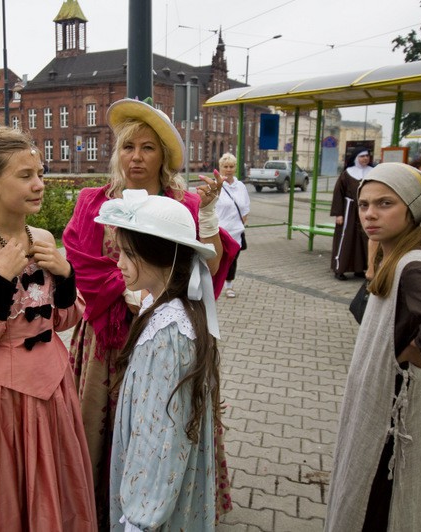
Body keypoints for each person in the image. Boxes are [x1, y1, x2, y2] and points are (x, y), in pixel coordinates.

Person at [62, 98, 237, 528]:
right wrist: (125, 293)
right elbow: (80, 260)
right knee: (106, 425)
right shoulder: (92, 201)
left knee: (160, 423)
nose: (136, 157)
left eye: (147, 148)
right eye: (127, 148)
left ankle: (156, 505)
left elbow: (207, 267)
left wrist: (210, 214)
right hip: (107, 334)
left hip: (163, 325)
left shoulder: (184, 204)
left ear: (163, 156)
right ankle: (103, 507)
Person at [0, 123, 96, 531]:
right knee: (2, 491)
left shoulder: (42, 236)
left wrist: (66, 274)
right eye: (25, 176)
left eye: (40, 174)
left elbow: (63, 319)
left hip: (53, 388)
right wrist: (0, 278)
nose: (39, 184)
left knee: (54, 487)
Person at [326, 163, 421, 531]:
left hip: (395, 417)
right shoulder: (400, 254)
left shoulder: (413, 265)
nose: (370, 214)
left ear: (412, 208)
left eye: (385, 204)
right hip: (391, 410)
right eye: (364, 205)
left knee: (380, 502)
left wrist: (418, 353)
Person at [96, 189, 220, 531]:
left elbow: (160, 434)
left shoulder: (168, 335)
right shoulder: (170, 311)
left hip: (154, 502)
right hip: (163, 490)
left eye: (128, 253)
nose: (118, 262)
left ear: (159, 255)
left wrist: (141, 515)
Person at [331, 147, 372, 280]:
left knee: (364, 239)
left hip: (367, 210)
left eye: (367, 156)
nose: (365, 158)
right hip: (349, 211)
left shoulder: (373, 173)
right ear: (356, 158)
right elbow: (338, 194)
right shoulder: (347, 174)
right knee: (346, 238)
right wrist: (339, 214)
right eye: (362, 156)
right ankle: (340, 269)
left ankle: (360, 268)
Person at [216, 152, 250, 298]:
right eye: (225, 167)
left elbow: (245, 207)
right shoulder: (216, 185)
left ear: (235, 168)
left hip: (236, 230)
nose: (228, 170)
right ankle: (214, 285)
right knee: (217, 259)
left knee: (232, 260)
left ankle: (229, 286)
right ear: (220, 168)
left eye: (231, 167)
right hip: (220, 230)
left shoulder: (240, 186)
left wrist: (242, 221)